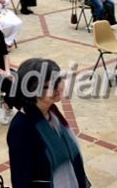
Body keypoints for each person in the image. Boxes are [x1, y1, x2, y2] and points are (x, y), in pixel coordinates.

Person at [7, 58, 90, 187]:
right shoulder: (21, 128)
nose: (58, 87)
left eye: (58, 80)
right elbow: (20, 179)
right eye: (49, 85)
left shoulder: (52, 111)